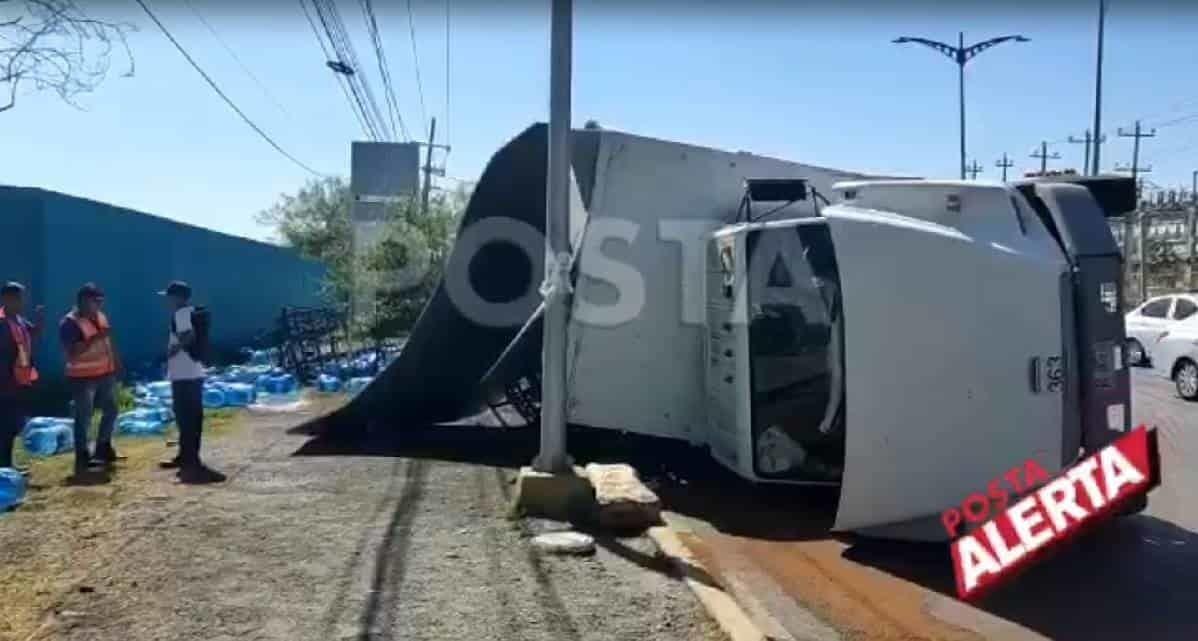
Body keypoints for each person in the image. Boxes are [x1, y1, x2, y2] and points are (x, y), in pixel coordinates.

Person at [159, 281, 224, 484]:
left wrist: (172, 350)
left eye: (170, 296)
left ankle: (190, 461)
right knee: (191, 416)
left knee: (186, 417)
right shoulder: (192, 312)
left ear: (177, 297)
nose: (168, 301)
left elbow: (188, 336)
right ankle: (185, 456)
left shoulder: (181, 314)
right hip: (193, 371)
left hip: (183, 372)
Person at [60, 283, 121, 476]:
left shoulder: (100, 317)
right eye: (96, 301)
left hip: (105, 374)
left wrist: (116, 362)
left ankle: (103, 448)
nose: (100, 305)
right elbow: (71, 352)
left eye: (100, 301)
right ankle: (82, 457)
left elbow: (107, 342)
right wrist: (95, 339)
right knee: (83, 418)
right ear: (84, 301)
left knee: (111, 410)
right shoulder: (70, 323)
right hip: (83, 378)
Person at [0, 282, 44, 472]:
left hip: (19, 381)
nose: (22, 302)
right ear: (6, 299)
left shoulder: (18, 320)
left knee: (12, 426)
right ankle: (4, 466)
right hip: (4, 383)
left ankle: (7, 464)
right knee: (5, 426)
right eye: (18, 298)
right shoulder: (1, 322)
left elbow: (31, 333)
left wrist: (40, 321)